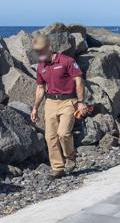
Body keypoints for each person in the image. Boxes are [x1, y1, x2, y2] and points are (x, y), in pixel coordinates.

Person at [30, 34, 87, 178]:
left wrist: (80, 102)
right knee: (50, 137)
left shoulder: (67, 61)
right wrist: (35, 107)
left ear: (49, 47)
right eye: (37, 51)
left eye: (41, 50)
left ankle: (70, 157)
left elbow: (79, 81)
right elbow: (40, 88)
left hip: (68, 101)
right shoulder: (41, 66)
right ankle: (58, 168)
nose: (39, 53)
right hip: (50, 103)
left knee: (63, 133)